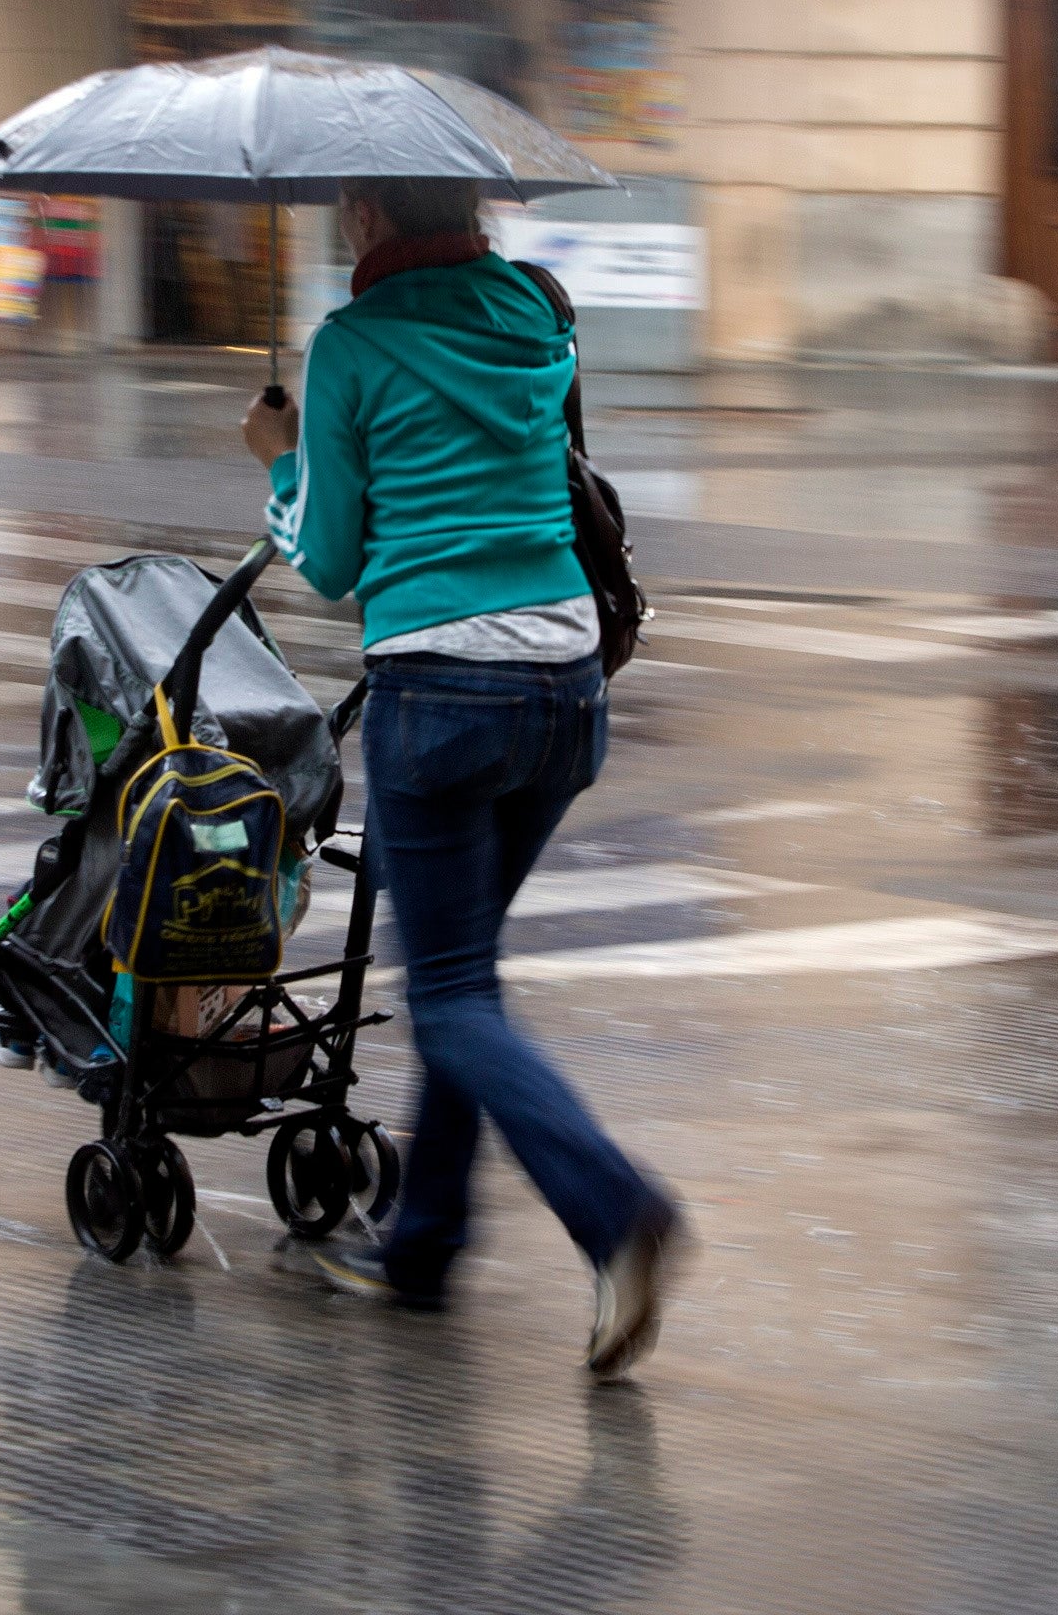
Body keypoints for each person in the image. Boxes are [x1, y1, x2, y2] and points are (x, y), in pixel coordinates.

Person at [239, 174, 687, 1379]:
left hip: (442, 692)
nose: (340, 220)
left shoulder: (351, 343)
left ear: (375, 215)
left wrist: (282, 460)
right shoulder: (540, 311)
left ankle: (618, 1208)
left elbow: (329, 560)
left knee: (446, 994)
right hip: (566, 686)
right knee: (464, 978)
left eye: (346, 203)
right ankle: (422, 1244)